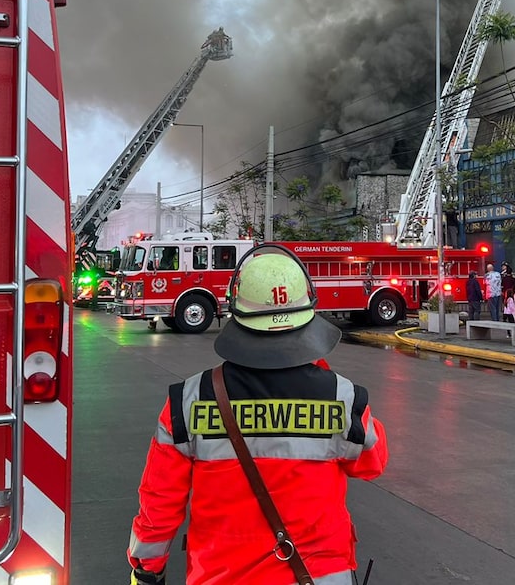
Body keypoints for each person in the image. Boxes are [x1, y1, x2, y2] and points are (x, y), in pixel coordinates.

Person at [126, 244, 388, 585]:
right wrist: (320, 374)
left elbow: (159, 503)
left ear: (235, 311)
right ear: (307, 311)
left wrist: (147, 570)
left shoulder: (187, 401)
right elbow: (371, 462)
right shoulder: (343, 397)